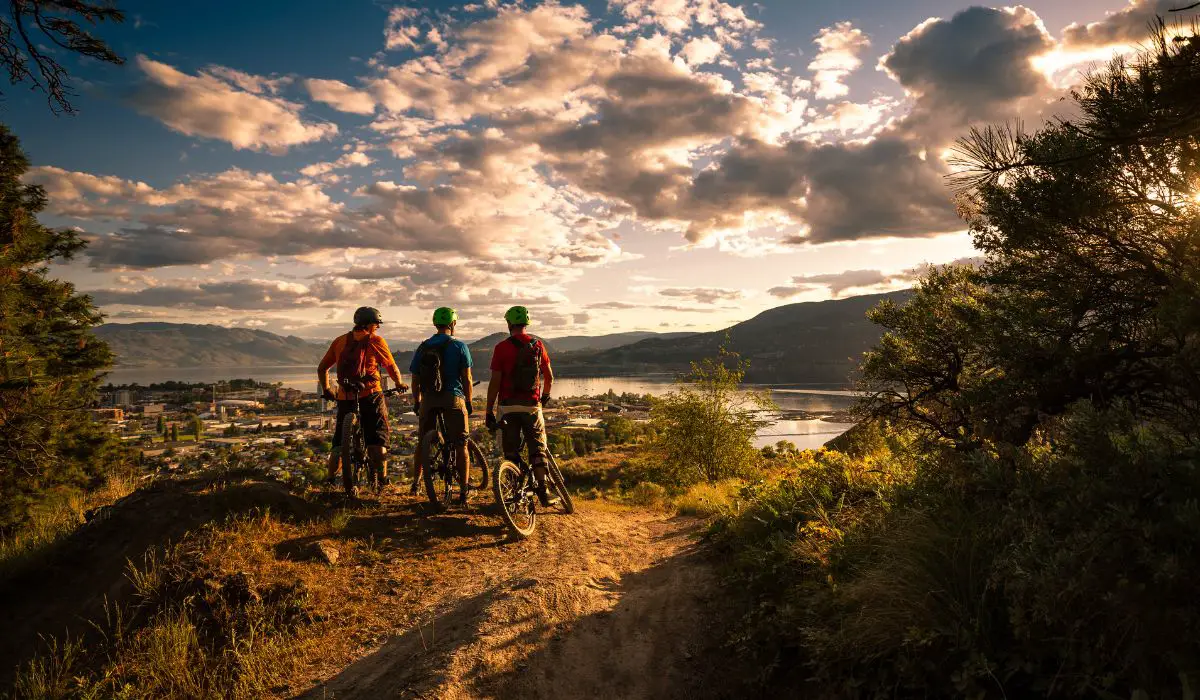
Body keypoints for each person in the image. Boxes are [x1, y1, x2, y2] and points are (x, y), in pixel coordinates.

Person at [316, 306, 407, 491]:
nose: (378, 328)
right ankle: (382, 481)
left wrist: (326, 389)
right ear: (369, 324)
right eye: (376, 324)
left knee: (339, 442)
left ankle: (330, 481)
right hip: (371, 395)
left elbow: (322, 368)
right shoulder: (375, 340)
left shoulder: (340, 341)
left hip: (345, 397)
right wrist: (399, 383)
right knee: (378, 439)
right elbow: (391, 366)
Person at [486, 306, 555, 506]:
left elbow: (495, 383)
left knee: (510, 451)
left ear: (508, 324)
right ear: (527, 323)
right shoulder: (538, 345)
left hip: (507, 407)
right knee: (537, 448)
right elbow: (549, 376)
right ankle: (544, 491)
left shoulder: (501, 348)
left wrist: (489, 410)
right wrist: (545, 396)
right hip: (531, 405)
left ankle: (513, 493)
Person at [410, 307, 474, 503]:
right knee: (461, 443)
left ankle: (416, 483)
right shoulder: (460, 346)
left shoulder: (423, 347)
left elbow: (415, 379)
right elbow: (467, 378)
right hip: (452, 398)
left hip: (429, 399)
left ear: (435, 324)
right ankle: (464, 491)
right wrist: (469, 402)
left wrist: (417, 401)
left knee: (422, 442)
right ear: (453, 324)